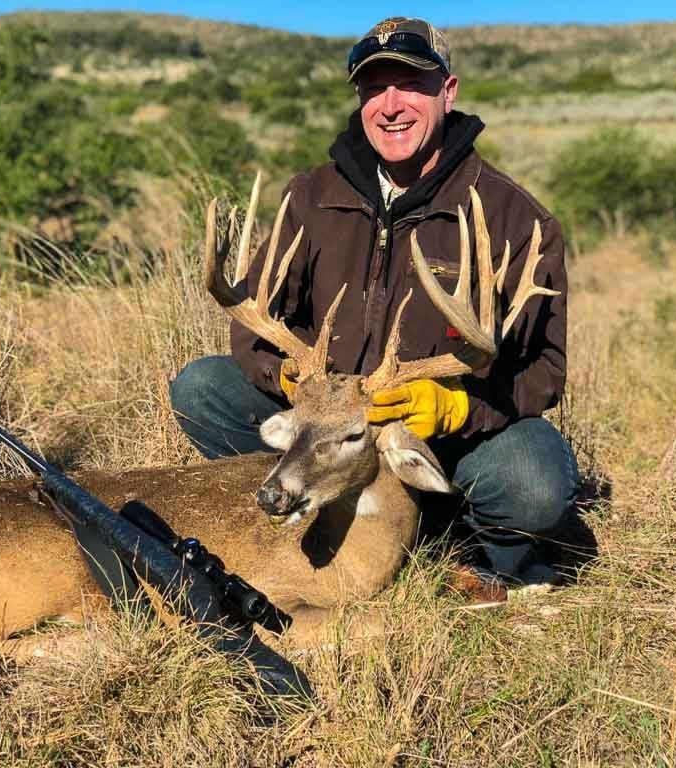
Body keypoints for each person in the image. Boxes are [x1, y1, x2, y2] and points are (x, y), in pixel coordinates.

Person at [169, 17, 577, 597]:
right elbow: (254, 322)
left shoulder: (516, 219)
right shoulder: (312, 195)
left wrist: (455, 407)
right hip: (327, 426)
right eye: (373, 87)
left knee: (533, 483)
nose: (391, 105)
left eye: (410, 84)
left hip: (443, 440)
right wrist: (285, 374)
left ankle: (462, 545)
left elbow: (543, 371)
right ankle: (298, 511)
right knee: (201, 389)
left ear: (448, 91)